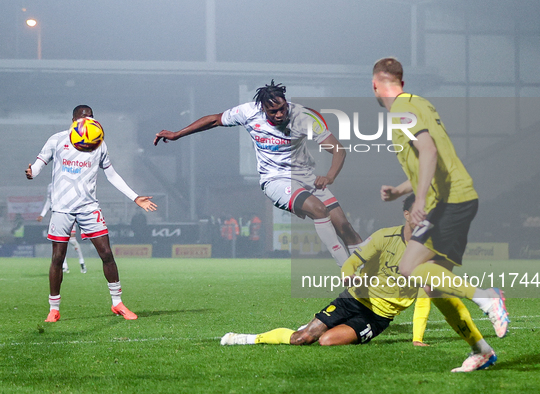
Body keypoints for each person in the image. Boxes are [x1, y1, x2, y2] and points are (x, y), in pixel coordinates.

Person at [221, 194, 498, 372]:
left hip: (378, 316)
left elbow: (428, 297)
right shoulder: (384, 237)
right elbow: (355, 259)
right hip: (352, 298)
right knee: (302, 338)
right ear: (405, 214)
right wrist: (349, 271)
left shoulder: (431, 250)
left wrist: (416, 339)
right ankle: (246, 338)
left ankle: (484, 311)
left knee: (327, 342)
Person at [154, 80, 363, 266]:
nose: (280, 114)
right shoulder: (248, 112)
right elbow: (214, 120)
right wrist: (177, 134)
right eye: (273, 111)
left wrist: (330, 176)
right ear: (262, 108)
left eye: (282, 108)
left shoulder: (303, 117)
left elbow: (338, 149)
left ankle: (368, 273)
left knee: (345, 228)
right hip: (274, 180)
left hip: (305, 177)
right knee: (318, 210)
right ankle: (346, 268)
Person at [372, 57, 509, 338]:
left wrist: (419, 200)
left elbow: (429, 151)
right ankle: (481, 351)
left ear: (375, 85)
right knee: (433, 285)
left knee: (408, 267)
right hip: (457, 197)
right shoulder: (420, 103)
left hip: (449, 201)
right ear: (402, 82)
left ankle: (487, 297)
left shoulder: (400, 111)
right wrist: (400, 190)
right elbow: (430, 162)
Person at [26, 104, 157, 323]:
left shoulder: (98, 144)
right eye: (83, 117)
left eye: (91, 117)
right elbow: (39, 163)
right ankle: (54, 308)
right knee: (57, 258)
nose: (88, 121)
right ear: (74, 120)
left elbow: (112, 175)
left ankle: (118, 303)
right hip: (62, 208)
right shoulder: (57, 139)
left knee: (106, 254)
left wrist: (135, 197)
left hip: (89, 208)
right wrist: (32, 172)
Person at [38, 183, 86, 274]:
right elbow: (49, 200)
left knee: (72, 240)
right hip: (57, 216)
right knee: (60, 242)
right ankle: (64, 266)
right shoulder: (51, 186)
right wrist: (42, 214)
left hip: (69, 215)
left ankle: (82, 262)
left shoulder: (68, 183)